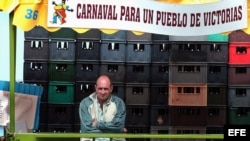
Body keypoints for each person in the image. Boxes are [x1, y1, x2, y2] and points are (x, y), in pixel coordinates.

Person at [79, 75, 127, 141]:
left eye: (106, 89)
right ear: (95, 88)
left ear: (111, 88)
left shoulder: (119, 103)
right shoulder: (85, 103)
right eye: (100, 88)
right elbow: (86, 129)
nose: (103, 92)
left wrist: (97, 124)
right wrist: (113, 129)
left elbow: (118, 127)